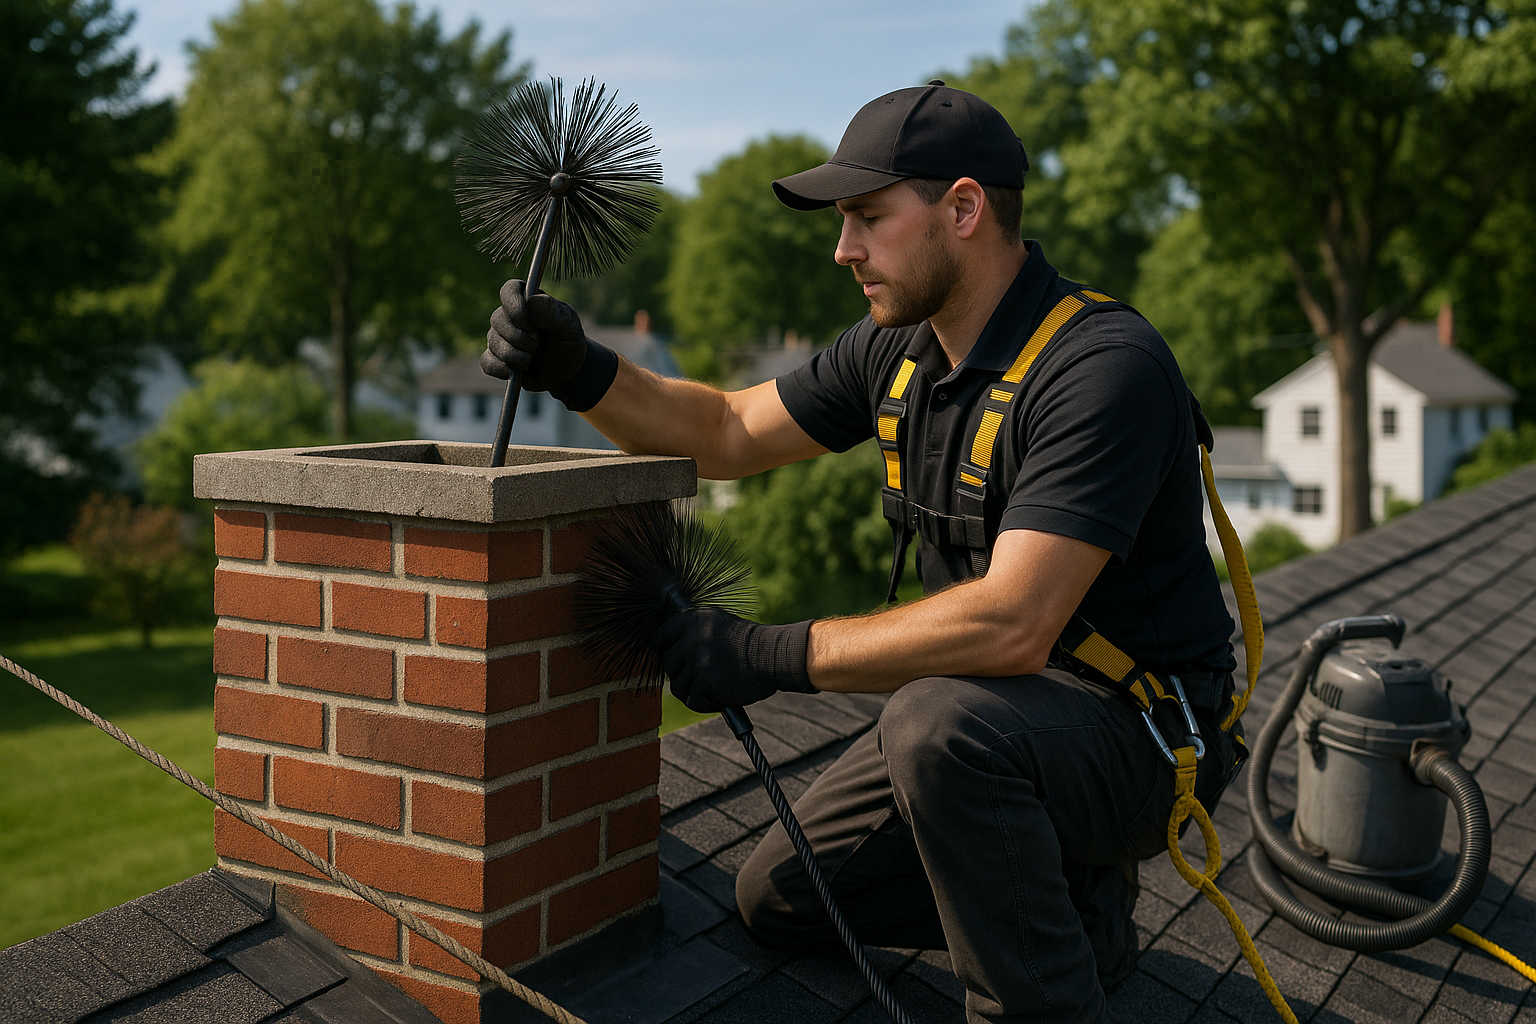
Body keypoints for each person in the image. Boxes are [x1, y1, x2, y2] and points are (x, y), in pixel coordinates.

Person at [480, 82, 1242, 1024]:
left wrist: (768, 653)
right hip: (992, 715)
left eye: (868, 218)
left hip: (1136, 734)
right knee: (783, 899)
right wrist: (577, 368)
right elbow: (725, 431)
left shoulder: (1101, 369)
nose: (844, 250)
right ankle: (1078, 914)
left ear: (963, 210)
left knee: (932, 728)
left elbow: (1013, 621)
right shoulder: (902, 351)